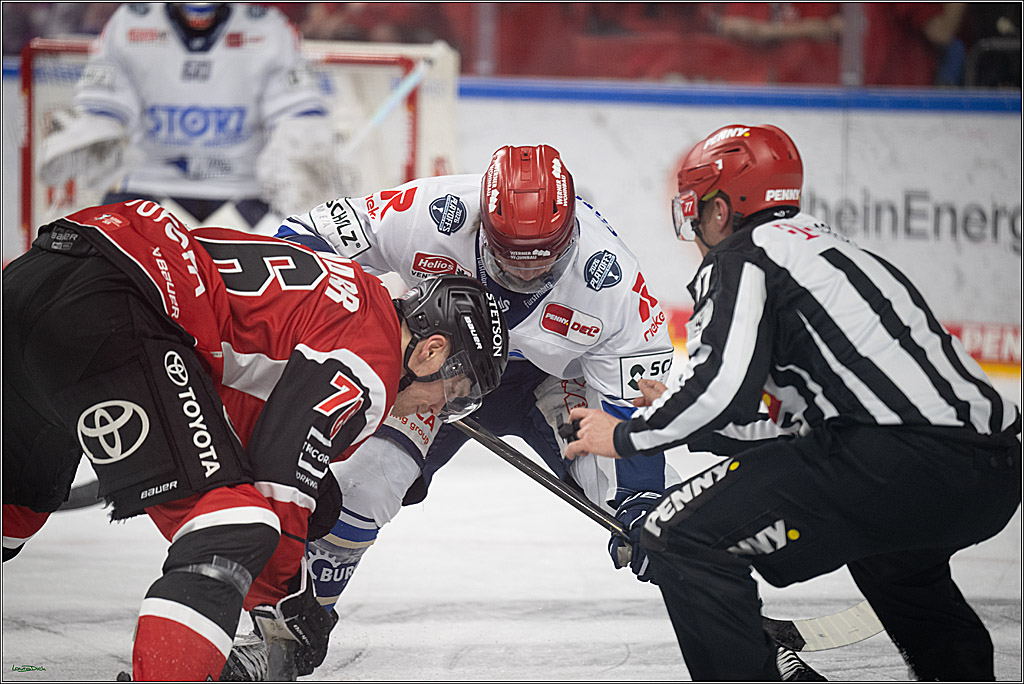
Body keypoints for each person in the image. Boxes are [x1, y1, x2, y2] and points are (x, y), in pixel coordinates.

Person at [200, 144, 687, 678]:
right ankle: (284, 634)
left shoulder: (613, 281)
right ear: (483, 223)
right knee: (362, 485)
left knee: (669, 520)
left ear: (571, 233)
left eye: (543, 258)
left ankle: (734, 630)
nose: (526, 275)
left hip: (558, 381)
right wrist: (327, 320)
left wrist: (642, 498)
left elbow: (634, 409)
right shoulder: (434, 210)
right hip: (440, 371)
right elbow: (302, 240)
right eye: (510, 257)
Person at [563, 124, 1022, 680]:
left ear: (721, 210)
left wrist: (624, 434)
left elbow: (719, 390)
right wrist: (696, 421)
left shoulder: (742, 257)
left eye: (697, 209)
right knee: (896, 565)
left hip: (890, 460)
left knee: (677, 535)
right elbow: (800, 429)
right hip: (990, 470)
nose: (695, 227)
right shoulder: (834, 252)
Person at [3, 199, 509, 681]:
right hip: (113, 306)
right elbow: (279, 480)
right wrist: (286, 600)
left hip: (38, 276)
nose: (438, 410)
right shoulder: (373, 362)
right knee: (237, 526)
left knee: (15, 509)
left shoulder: (356, 292)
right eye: (454, 391)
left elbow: (236, 402)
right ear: (430, 351)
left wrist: (308, 509)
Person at [36, 3, 343, 234]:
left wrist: (301, 162)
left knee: (292, 256)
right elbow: (105, 107)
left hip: (243, 189)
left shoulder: (268, 29)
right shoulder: (129, 23)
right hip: (148, 184)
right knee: (99, 255)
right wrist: (92, 131)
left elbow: (298, 113)